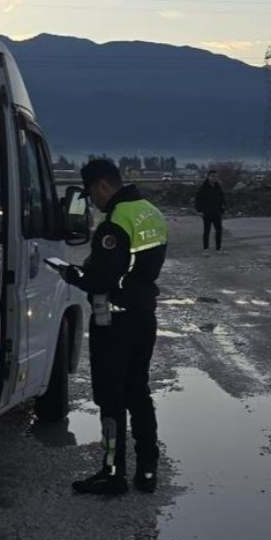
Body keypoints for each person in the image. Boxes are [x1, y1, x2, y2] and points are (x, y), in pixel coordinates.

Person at [56, 159, 167, 496]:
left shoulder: (114, 223)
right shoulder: (152, 213)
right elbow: (136, 268)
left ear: (102, 186)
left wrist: (72, 274)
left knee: (110, 399)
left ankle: (113, 473)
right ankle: (148, 471)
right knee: (139, 393)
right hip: (143, 315)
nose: (92, 202)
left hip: (113, 321)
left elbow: (103, 278)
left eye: (91, 194)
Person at [194, 169, 227, 251]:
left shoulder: (218, 187)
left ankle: (218, 248)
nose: (214, 178)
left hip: (217, 212)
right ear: (208, 177)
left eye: (216, 176)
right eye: (212, 176)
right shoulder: (203, 188)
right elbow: (198, 200)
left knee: (219, 230)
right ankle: (206, 248)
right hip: (206, 212)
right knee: (206, 231)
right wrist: (199, 210)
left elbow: (222, 199)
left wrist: (223, 208)